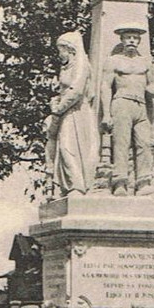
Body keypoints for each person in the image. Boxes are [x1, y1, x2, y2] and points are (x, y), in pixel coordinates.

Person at [100, 25, 154, 196]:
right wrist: (106, 114)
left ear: (139, 40)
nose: (132, 40)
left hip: (141, 105)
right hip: (122, 102)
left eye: (135, 37)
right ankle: (120, 182)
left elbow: (150, 87)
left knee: (144, 144)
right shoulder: (114, 60)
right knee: (121, 143)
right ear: (122, 40)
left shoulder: (146, 62)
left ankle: (144, 182)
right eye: (128, 37)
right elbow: (106, 86)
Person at [45, 30, 97, 197]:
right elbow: (64, 91)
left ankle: (77, 186)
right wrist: (56, 102)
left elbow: (76, 91)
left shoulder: (81, 65)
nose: (59, 54)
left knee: (70, 148)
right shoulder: (68, 67)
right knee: (65, 148)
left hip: (77, 112)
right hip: (66, 112)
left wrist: (58, 109)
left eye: (61, 50)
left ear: (70, 49)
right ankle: (71, 186)